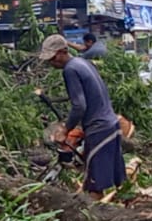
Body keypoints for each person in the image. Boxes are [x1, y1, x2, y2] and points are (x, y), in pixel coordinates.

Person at [40, 33, 125, 198]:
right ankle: (130, 211)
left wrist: (66, 129)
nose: (51, 62)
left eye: (52, 58)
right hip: (111, 123)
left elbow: (79, 106)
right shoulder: (83, 62)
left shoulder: (70, 70)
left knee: (94, 186)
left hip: (99, 128)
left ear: (63, 51)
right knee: (119, 181)